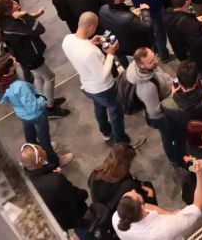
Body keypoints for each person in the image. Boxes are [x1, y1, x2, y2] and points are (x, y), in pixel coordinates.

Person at [61, 11, 145, 147]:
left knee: (99, 107)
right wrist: (111, 55)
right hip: (103, 88)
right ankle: (123, 141)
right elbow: (102, 76)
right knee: (115, 111)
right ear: (91, 28)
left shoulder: (68, 39)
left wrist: (90, 42)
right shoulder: (90, 52)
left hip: (87, 86)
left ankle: (106, 132)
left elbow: (80, 50)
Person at [0, 54, 72, 166]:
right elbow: (34, 106)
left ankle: (36, 151)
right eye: (13, 61)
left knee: (30, 136)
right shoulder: (20, 86)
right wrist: (42, 98)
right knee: (44, 139)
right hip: (36, 115)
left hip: (22, 114)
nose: (16, 60)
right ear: (11, 69)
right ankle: (55, 161)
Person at [113, 161, 202, 239]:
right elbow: (198, 206)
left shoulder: (117, 218)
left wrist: (170, 215)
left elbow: (143, 206)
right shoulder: (165, 228)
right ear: (141, 206)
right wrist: (200, 174)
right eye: (136, 194)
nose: (133, 190)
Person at [19, 144, 90, 239]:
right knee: (86, 232)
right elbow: (74, 198)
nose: (45, 150)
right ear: (40, 160)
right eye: (42, 150)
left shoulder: (25, 183)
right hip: (72, 217)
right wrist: (84, 194)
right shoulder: (55, 181)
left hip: (56, 222)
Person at [126, 48, 175, 161]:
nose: (156, 61)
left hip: (165, 98)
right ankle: (172, 157)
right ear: (141, 65)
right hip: (159, 118)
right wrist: (173, 95)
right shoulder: (147, 88)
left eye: (155, 56)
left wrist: (172, 81)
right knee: (167, 136)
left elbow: (162, 75)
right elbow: (155, 111)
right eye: (151, 61)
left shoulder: (150, 67)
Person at [89, 143, 158, 213]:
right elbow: (144, 205)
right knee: (148, 186)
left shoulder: (95, 174)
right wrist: (150, 195)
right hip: (121, 213)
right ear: (127, 163)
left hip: (102, 213)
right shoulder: (129, 186)